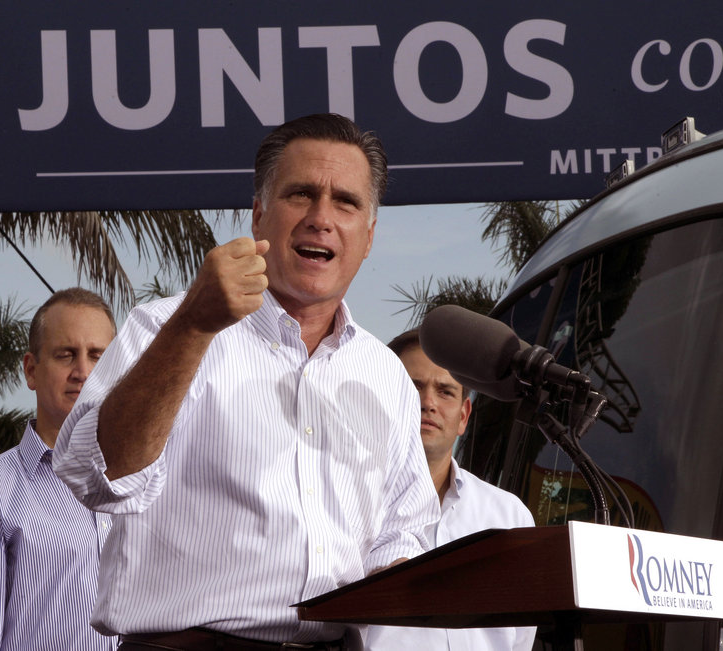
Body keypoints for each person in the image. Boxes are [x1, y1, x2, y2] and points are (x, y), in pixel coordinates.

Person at [53, 113, 440, 651]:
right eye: (301, 194)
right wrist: (193, 326)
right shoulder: (166, 327)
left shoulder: (386, 374)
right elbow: (96, 475)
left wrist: (395, 571)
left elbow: (407, 531)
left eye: (346, 202)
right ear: (259, 215)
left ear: (369, 236)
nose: (321, 218)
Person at [0, 287, 118, 650]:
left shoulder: (144, 480)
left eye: (97, 356)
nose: (83, 371)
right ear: (31, 370)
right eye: (66, 355)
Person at [364, 328, 536, 651]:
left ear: (464, 416)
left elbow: (522, 636)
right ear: (384, 399)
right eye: (413, 387)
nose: (428, 402)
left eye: (445, 392)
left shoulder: (510, 518)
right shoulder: (350, 504)